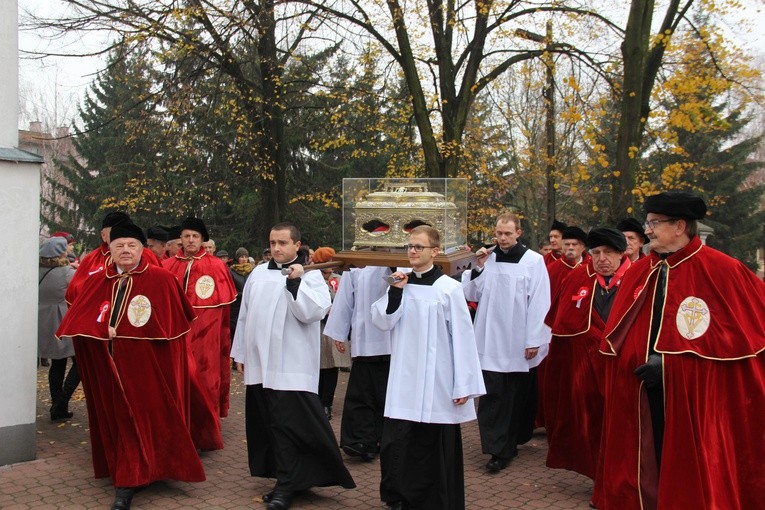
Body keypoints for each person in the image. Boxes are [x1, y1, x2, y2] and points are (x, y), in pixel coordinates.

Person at [598, 191, 765, 510]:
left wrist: (669, 366)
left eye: (654, 223)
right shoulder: (640, 270)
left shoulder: (723, 270)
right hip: (641, 394)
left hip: (692, 401)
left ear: (679, 226)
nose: (647, 230)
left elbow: (734, 344)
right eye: (648, 223)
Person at [56, 221, 205, 510]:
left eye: (131, 245)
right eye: (119, 245)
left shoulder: (162, 280)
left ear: (142, 249)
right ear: (109, 250)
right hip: (113, 371)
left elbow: (174, 333)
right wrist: (101, 332)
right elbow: (79, 322)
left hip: (149, 371)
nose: (125, 250)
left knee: (150, 419)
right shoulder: (96, 282)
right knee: (124, 421)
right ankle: (128, 478)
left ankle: (153, 468)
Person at [231, 223, 355, 510]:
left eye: (283, 243)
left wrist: (295, 282)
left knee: (291, 426)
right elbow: (245, 317)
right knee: (271, 425)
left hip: (292, 366)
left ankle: (287, 485)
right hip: (261, 365)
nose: (276, 248)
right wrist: (240, 354)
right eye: (273, 242)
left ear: (297, 245)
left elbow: (312, 313)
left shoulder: (311, 277)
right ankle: (286, 479)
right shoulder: (258, 273)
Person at [372, 225, 485, 510]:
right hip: (404, 379)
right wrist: (395, 292)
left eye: (418, 247)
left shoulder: (449, 288)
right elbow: (382, 321)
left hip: (437, 380)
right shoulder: (400, 283)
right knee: (398, 444)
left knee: (433, 447)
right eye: (409, 246)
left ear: (434, 251)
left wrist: (464, 384)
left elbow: (463, 337)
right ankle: (401, 498)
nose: (411, 251)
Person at [543, 228, 631, 501]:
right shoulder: (580, 277)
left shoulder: (638, 279)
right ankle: (600, 483)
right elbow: (562, 323)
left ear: (621, 254)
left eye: (608, 253)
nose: (601, 259)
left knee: (624, 430)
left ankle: (624, 484)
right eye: (596, 253)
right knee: (593, 428)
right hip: (589, 374)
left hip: (625, 373)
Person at [462, 211, 551, 473]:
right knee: (491, 396)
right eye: (498, 233)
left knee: (513, 396)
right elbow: (470, 292)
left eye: (507, 233)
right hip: (489, 339)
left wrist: (534, 338)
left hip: (516, 340)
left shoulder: (534, 261)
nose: (501, 238)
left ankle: (508, 443)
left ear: (518, 233)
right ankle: (496, 449)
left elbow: (540, 302)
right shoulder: (488, 259)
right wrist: (476, 266)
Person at [163, 217, 236, 421]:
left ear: (202, 239)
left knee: (205, 379)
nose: (191, 240)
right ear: (181, 239)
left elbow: (224, 315)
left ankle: (206, 426)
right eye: (187, 236)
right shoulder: (167, 266)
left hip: (206, 338)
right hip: (176, 335)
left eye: (195, 236)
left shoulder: (216, 266)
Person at [324, 262, 395, 462]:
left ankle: (386, 438)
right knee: (362, 391)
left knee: (387, 392)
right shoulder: (357, 263)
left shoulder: (403, 260)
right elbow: (346, 296)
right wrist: (339, 332)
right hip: (365, 337)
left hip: (395, 338)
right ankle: (361, 440)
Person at [66, 212, 160, 304]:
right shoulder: (91, 259)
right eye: (115, 230)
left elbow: (158, 286)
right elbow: (73, 291)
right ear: (103, 235)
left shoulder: (146, 255)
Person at [38, 237, 80, 421]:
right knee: (80, 362)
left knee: (57, 362)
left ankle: (57, 405)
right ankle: (61, 403)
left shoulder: (36, 270)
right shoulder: (66, 272)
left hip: (43, 319)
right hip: (63, 318)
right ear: (61, 252)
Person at [312, 247, 351, 420]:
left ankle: (326, 403)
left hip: (334, 330)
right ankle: (316, 403)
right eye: (325, 268)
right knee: (319, 367)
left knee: (332, 368)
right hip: (317, 329)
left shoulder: (340, 280)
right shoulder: (311, 279)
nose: (328, 272)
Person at [547, 226, 590, 293]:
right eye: (567, 244)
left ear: (583, 247)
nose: (570, 247)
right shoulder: (551, 269)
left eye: (574, 244)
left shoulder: (591, 267)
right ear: (562, 246)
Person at [228, 247, 254, 344]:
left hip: (249, 305)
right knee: (235, 332)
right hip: (236, 307)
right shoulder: (231, 272)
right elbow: (230, 290)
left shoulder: (252, 271)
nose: (243, 259)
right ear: (237, 258)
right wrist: (244, 295)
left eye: (245, 256)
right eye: (241, 257)